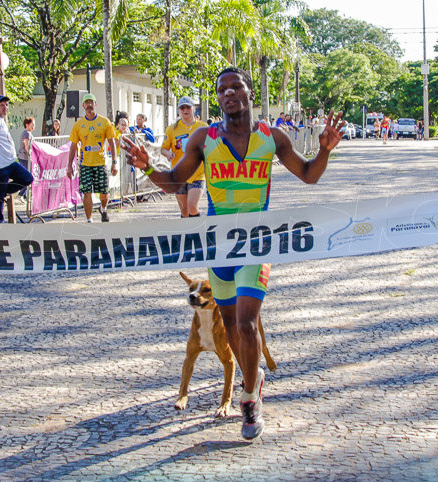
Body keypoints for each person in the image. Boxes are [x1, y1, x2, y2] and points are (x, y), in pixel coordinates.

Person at [121, 67, 343, 440]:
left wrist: (323, 150)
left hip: (256, 243)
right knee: (229, 324)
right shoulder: (203, 139)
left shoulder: (271, 137)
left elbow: (308, 175)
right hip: (218, 246)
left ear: (249, 92)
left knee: (246, 323)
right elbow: (176, 181)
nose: (227, 94)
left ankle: (249, 401)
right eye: (221, 89)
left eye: (235, 87)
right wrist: (148, 167)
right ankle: (252, 380)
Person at [66, 93, 117, 223]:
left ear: (95, 104)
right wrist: (69, 166)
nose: (89, 105)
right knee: (87, 192)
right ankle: (89, 219)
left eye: (91, 102)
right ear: (83, 106)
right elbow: (73, 146)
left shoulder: (104, 122)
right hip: (85, 164)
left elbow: (112, 143)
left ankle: (103, 208)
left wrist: (114, 162)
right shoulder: (79, 125)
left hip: (100, 162)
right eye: (87, 103)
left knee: (104, 192)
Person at [0, 95, 34, 223]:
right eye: (1, 105)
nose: (5, 107)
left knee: (27, 178)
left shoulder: (1, 120)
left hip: (9, 162)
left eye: (6, 105)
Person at [161, 96, 208, 217]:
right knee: (184, 211)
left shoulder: (203, 127)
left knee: (192, 206)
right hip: (179, 174)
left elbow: (211, 146)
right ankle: (187, 235)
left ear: (194, 109)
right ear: (178, 110)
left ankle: (198, 234)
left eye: (188, 107)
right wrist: (168, 154)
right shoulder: (172, 129)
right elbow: (163, 148)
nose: (185, 110)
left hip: (198, 173)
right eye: (182, 108)